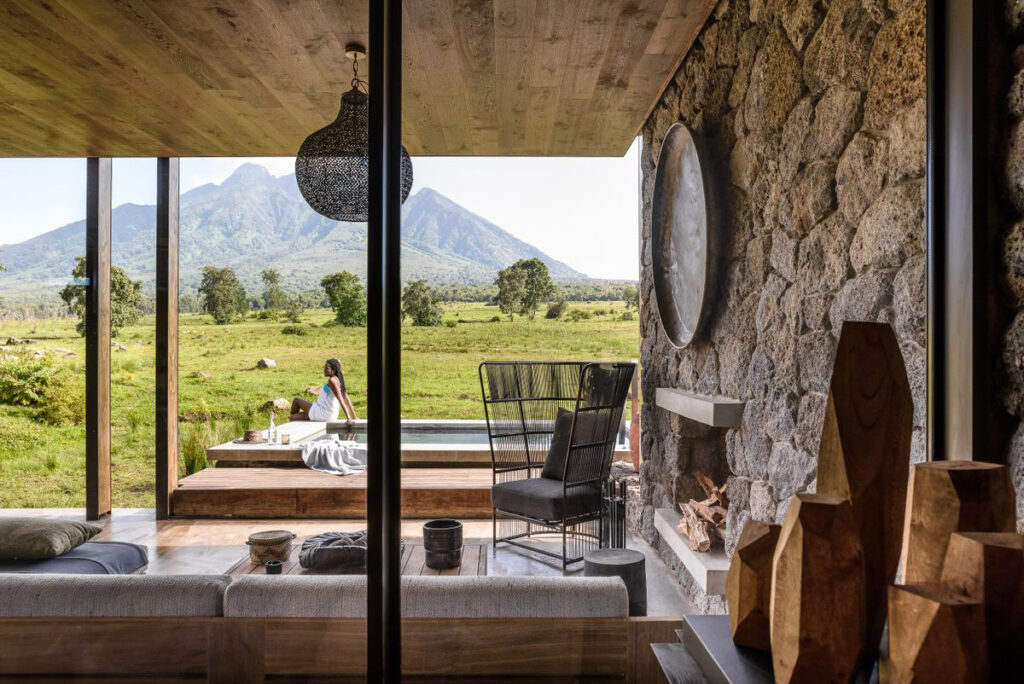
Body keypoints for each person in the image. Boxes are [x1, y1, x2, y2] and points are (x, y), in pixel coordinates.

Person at [291, 358, 357, 425]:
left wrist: (348, 418)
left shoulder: (332, 381)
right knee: (293, 417)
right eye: (324, 367)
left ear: (333, 370)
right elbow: (346, 397)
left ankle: (293, 425)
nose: (324, 370)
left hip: (323, 412)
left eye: (327, 368)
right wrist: (354, 415)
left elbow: (341, 399)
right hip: (326, 412)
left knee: (296, 400)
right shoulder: (338, 379)